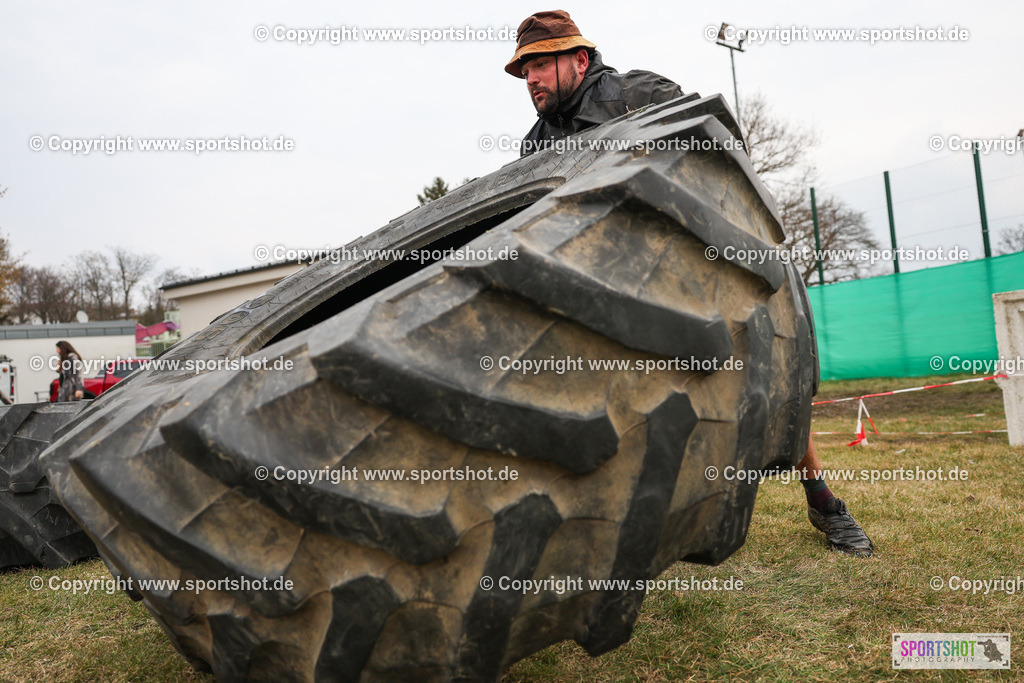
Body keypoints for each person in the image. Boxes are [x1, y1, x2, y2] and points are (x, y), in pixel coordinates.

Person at [507, 10, 873, 557]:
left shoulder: (639, 93)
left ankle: (822, 501)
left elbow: (721, 151)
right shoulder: (535, 145)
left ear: (579, 59)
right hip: (617, 286)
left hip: (700, 261)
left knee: (771, 382)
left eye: (540, 63)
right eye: (524, 69)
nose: (531, 78)